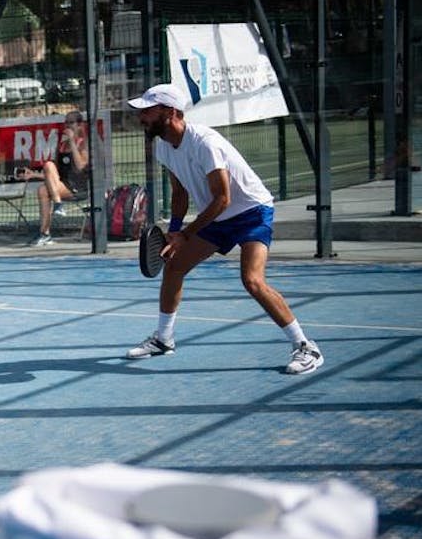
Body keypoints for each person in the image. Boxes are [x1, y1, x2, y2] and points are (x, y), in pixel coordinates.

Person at [124, 83, 323, 374]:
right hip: (217, 218)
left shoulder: (205, 143)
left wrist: (186, 235)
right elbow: (179, 194)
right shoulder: (163, 147)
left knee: (252, 280)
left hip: (252, 212)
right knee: (174, 267)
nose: (141, 117)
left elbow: (223, 198)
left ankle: (305, 346)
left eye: (147, 110)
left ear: (170, 112)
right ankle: (163, 339)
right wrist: (174, 231)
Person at [28, 110, 89, 247]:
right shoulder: (61, 145)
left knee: (44, 186)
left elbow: (80, 167)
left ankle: (56, 208)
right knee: (43, 187)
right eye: (66, 122)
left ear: (79, 125)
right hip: (62, 185)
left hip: (78, 186)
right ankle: (46, 233)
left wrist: (72, 142)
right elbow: (54, 174)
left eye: (71, 122)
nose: (67, 125)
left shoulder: (84, 144)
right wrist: (34, 175)